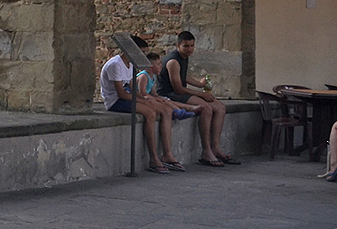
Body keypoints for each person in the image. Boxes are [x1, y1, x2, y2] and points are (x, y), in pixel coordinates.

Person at [99, 40, 182, 173]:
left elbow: (133, 89)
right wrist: (144, 102)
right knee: (150, 112)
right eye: (141, 52)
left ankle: (167, 153)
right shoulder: (115, 65)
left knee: (165, 109)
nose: (142, 56)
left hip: (128, 97)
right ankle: (153, 158)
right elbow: (121, 94)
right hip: (115, 101)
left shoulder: (131, 64)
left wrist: (147, 98)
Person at [158, 30, 236, 166]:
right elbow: (178, 89)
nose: (189, 49)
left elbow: (183, 76)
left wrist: (199, 84)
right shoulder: (173, 61)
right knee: (205, 108)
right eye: (186, 46)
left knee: (220, 107)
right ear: (178, 46)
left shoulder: (183, 58)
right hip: (170, 94)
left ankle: (216, 148)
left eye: (192, 46)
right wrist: (201, 94)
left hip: (180, 93)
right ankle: (206, 151)